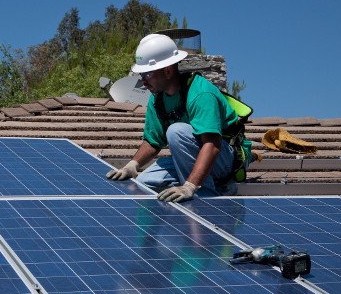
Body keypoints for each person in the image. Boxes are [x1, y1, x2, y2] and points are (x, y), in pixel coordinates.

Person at [106, 33, 251, 203]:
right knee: (144, 182)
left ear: (167, 71)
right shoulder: (157, 97)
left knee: (176, 131)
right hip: (196, 155)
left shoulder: (200, 93)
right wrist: (133, 165)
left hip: (226, 157)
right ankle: (203, 183)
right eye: (141, 75)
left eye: (147, 74)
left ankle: (208, 197)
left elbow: (212, 145)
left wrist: (190, 185)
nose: (143, 82)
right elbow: (153, 142)